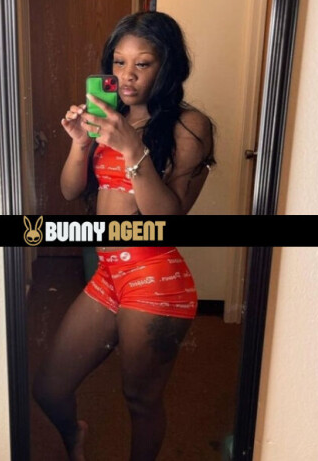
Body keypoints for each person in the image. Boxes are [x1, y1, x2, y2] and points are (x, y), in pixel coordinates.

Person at [32, 11, 215, 461]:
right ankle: (75, 434)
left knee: (140, 399)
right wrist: (81, 143)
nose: (127, 75)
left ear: (166, 66)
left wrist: (132, 147)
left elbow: (167, 221)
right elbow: (70, 190)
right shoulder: (108, 117)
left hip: (155, 278)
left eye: (142, 63)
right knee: (49, 388)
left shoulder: (189, 126)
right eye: (119, 62)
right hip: (108, 274)